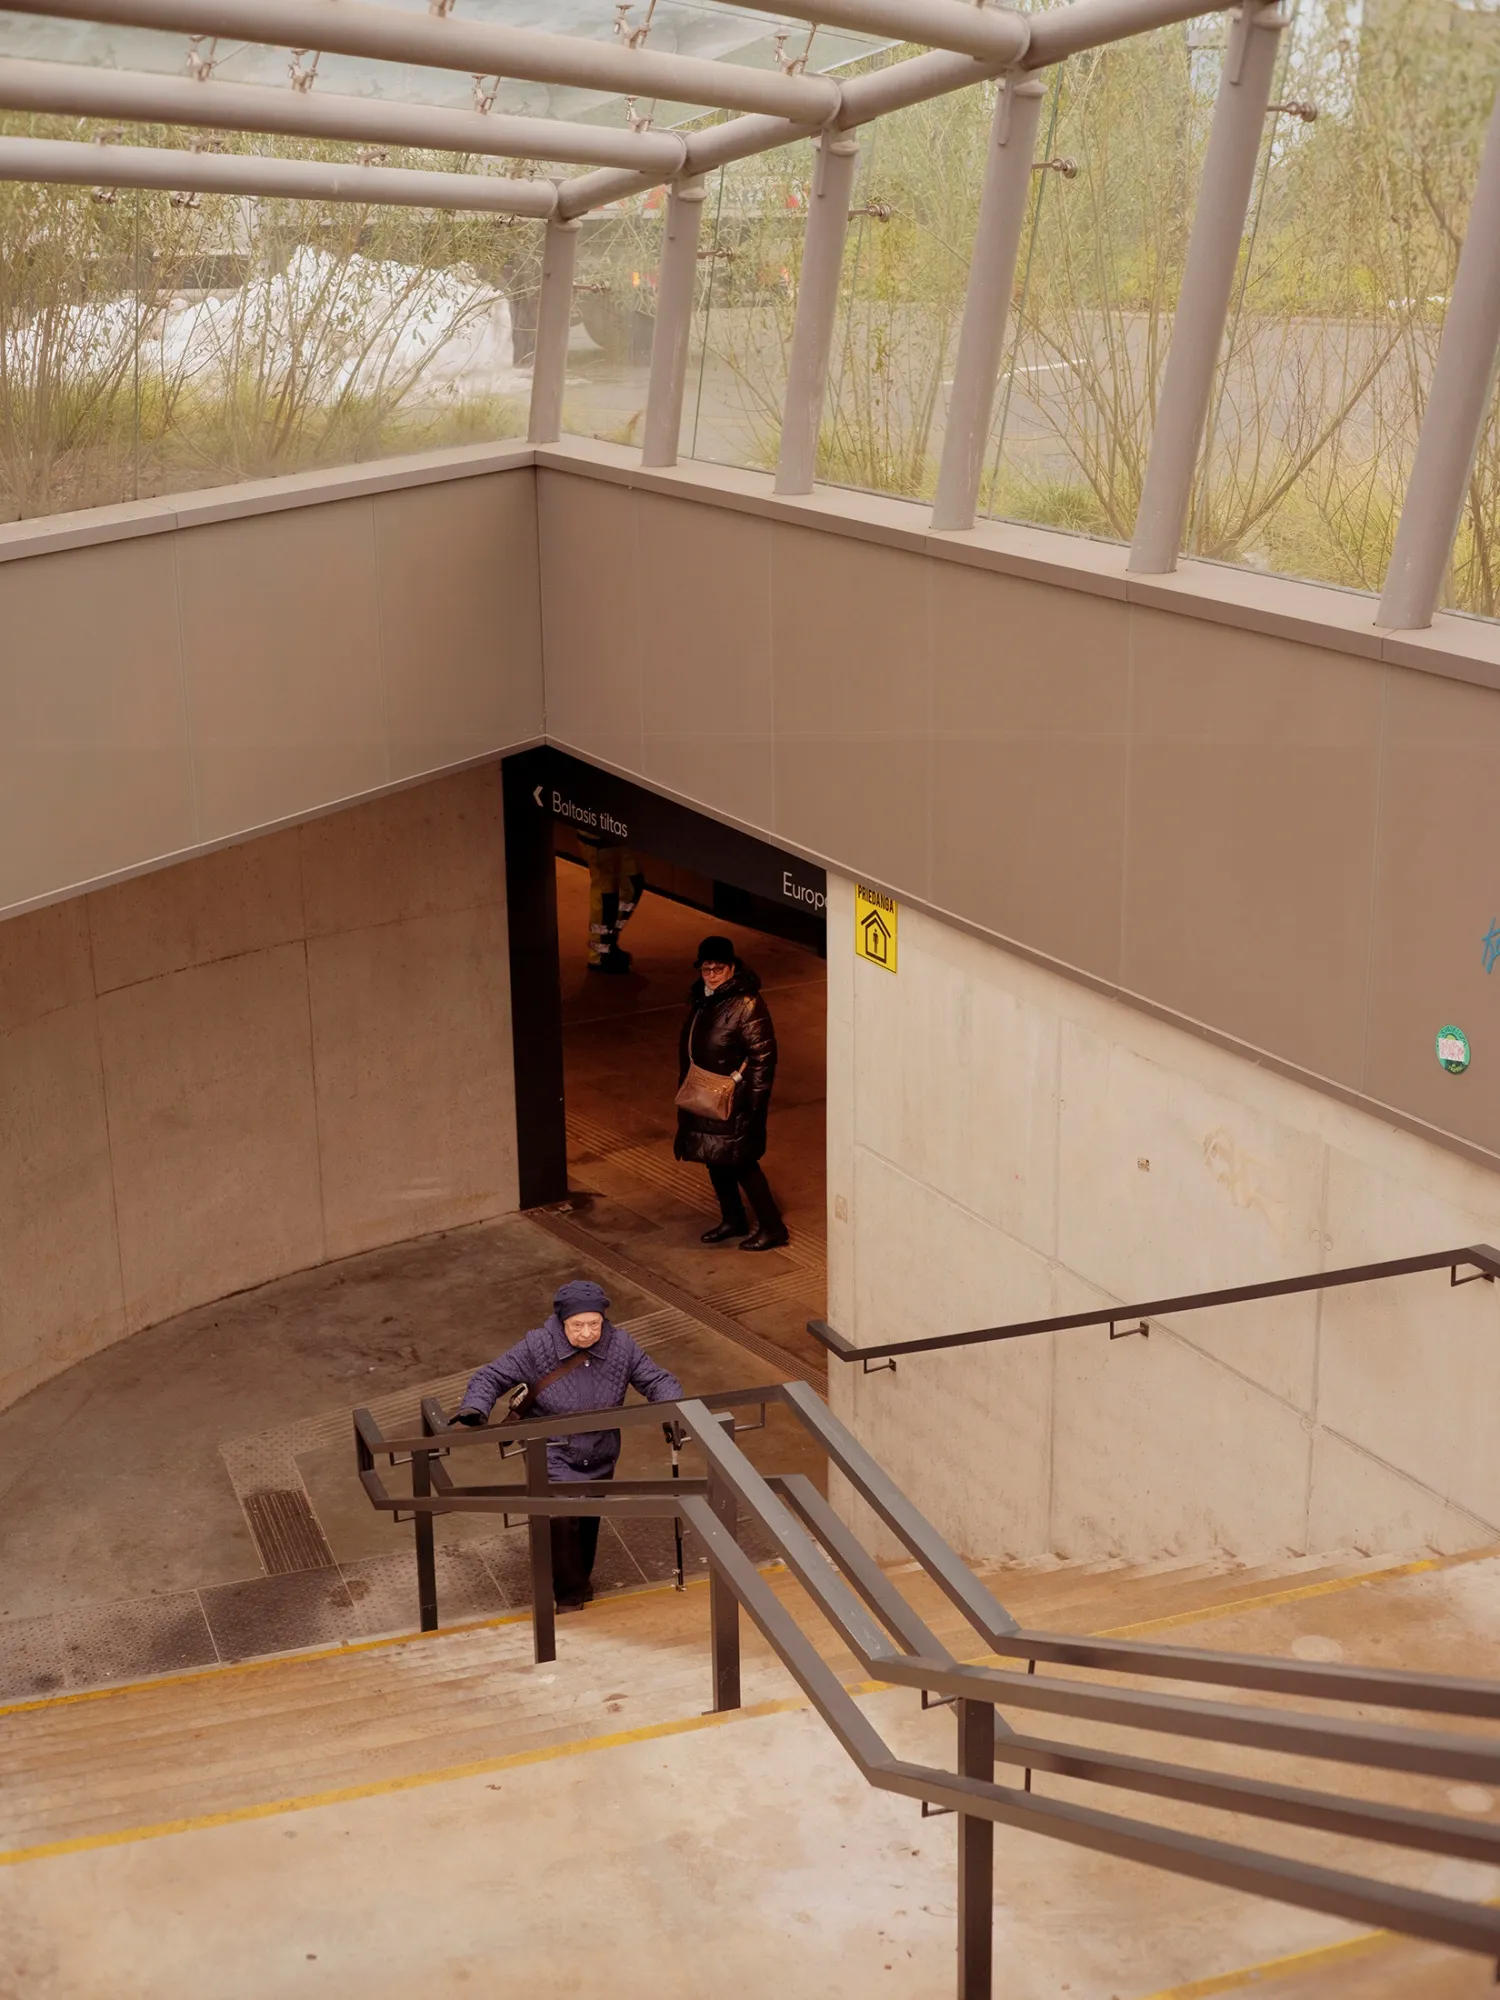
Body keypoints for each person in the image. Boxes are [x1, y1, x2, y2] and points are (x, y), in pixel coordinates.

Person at [449, 1279, 681, 1611]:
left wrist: (671, 1408)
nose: (586, 1332)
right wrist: (475, 1407)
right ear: (562, 1322)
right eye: (577, 1325)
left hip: (600, 1450)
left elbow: (657, 1379)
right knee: (561, 1520)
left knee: (586, 1521)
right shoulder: (538, 1346)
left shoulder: (621, 1346)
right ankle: (568, 1598)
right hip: (552, 1450)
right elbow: (490, 1376)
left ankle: (578, 1583)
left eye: (594, 1324)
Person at [674, 934, 789, 1252]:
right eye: (706, 968)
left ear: (733, 967)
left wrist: (755, 1102)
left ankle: (772, 1227)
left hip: (734, 1098)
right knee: (715, 1158)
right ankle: (733, 1219)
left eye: (718, 968)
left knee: (742, 1162)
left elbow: (763, 1057)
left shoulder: (746, 1004)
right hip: (706, 1093)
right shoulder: (703, 997)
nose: (711, 975)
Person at [578, 831, 646, 974]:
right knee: (606, 887)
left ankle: (608, 941)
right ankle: (599, 953)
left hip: (622, 827)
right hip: (598, 826)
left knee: (632, 884)